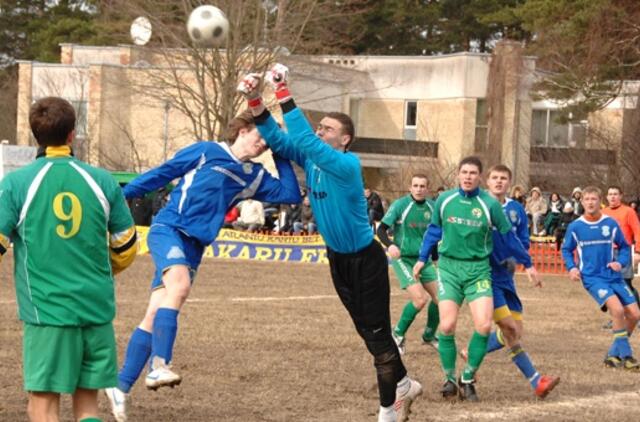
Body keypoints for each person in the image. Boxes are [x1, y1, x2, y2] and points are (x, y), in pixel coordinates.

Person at [238, 64, 422, 422]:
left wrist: (284, 92)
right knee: (368, 333)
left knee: (379, 338)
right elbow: (277, 140)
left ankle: (391, 407)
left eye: (328, 128)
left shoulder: (346, 164)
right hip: (337, 259)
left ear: (345, 140)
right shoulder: (312, 156)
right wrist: (253, 99)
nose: (320, 132)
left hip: (365, 260)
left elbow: (303, 139)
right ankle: (403, 383)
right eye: (319, 126)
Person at [105, 110, 301, 422]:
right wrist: (112, 199)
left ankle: (120, 386)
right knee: (179, 288)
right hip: (169, 229)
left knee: (155, 312)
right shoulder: (206, 151)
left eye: (269, 141)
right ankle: (159, 365)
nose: (263, 144)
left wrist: (280, 151)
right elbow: (160, 175)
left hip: (195, 246)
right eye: (260, 136)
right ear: (241, 130)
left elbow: (290, 193)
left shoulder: (254, 176)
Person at [0, 97, 137, 422]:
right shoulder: (103, 181)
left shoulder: (17, 184)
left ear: (36, 135)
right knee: (87, 405)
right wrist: (102, 273)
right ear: (72, 134)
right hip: (96, 310)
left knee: (42, 404)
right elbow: (127, 246)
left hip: (48, 314)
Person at [413, 156, 512, 402]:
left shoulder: (489, 204)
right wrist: (422, 258)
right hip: (448, 269)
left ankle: (467, 378)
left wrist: (525, 262)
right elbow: (434, 231)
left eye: (473, 173)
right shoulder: (444, 200)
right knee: (446, 326)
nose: (468, 176)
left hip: (478, 269)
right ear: (458, 175)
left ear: (480, 177)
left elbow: (507, 235)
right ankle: (449, 378)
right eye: (464, 172)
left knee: (484, 325)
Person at [481, 164, 559, 398]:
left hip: (507, 277)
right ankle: (536, 380)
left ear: (510, 182)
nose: (498, 182)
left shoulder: (516, 209)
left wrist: (523, 263)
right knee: (510, 328)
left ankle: (474, 352)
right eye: (494, 177)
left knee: (515, 332)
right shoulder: (479, 205)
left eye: (503, 178)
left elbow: (522, 239)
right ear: (487, 181)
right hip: (486, 276)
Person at [561, 186, 640, 370]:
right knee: (618, 311)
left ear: (599, 201)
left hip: (614, 276)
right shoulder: (576, 226)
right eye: (587, 199)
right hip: (592, 278)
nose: (590, 202)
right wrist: (572, 268)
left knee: (635, 314)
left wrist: (620, 263)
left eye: (594, 199)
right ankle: (627, 356)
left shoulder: (610, 223)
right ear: (582, 202)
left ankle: (612, 355)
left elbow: (623, 245)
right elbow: (566, 249)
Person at [376, 174, 440, 354]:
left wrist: (434, 258)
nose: (419, 189)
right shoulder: (400, 205)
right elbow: (381, 229)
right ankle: (397, 334)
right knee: (420, 300)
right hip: (403, 259)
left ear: (427, 189)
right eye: (415, 186)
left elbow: (432, 237)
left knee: (441, 299)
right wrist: (390, 245)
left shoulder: (433, 208)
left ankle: (429, 336)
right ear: (410, 188)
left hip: (424, 260)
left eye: (422, 186)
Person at [603, 186, 640, 306]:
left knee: (625, 284)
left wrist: (638, 251)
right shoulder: (603, 213)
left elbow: (637, 231)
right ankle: (617, 315)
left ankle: (637, 314)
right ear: (607, 197)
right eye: (610, 194)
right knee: (610, 285)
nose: (613, 196)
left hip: (622, 252)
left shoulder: (629, 211)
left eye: (615, 194)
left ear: (621, 196)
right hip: (607, 253)